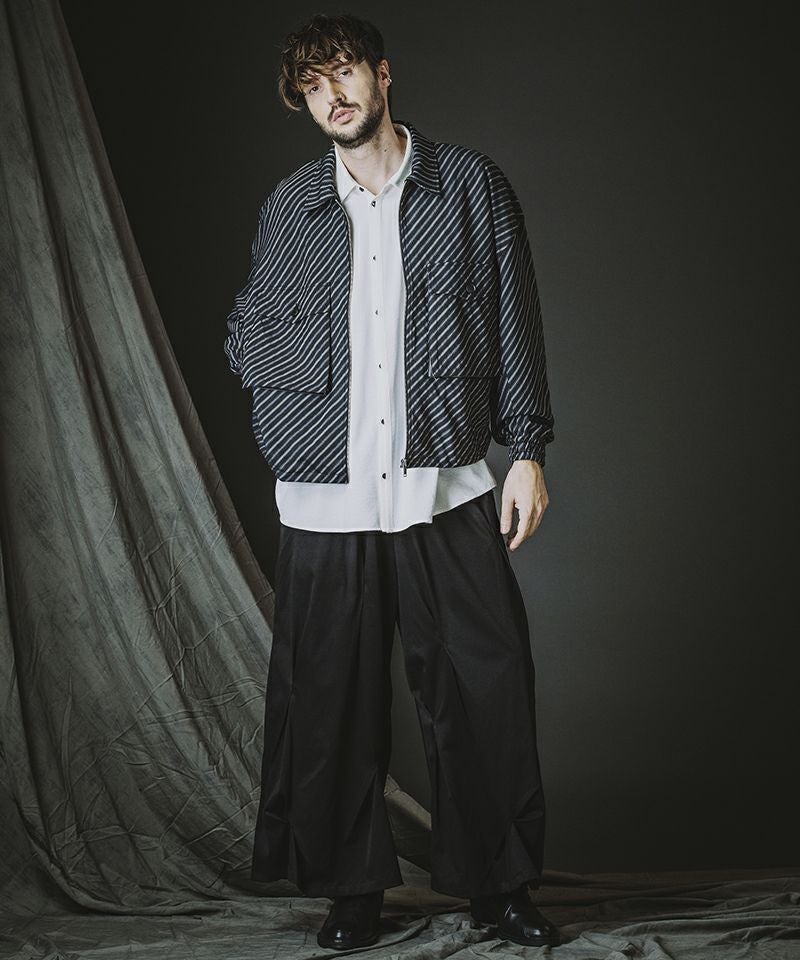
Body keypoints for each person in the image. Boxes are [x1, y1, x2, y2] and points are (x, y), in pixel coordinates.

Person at [224, 12, 561, 951]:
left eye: (343, 73)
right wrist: (292, 398)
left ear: (382, 74)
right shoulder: (292, 203)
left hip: (442, 485)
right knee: (328, 700)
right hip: (326, 498)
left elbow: (515, 316)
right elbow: (250, 328)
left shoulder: (469, 186)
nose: (330, 96)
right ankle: (352, 892)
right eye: (311, 85)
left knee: (483, 689)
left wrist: (527, 449)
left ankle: (498, 887)